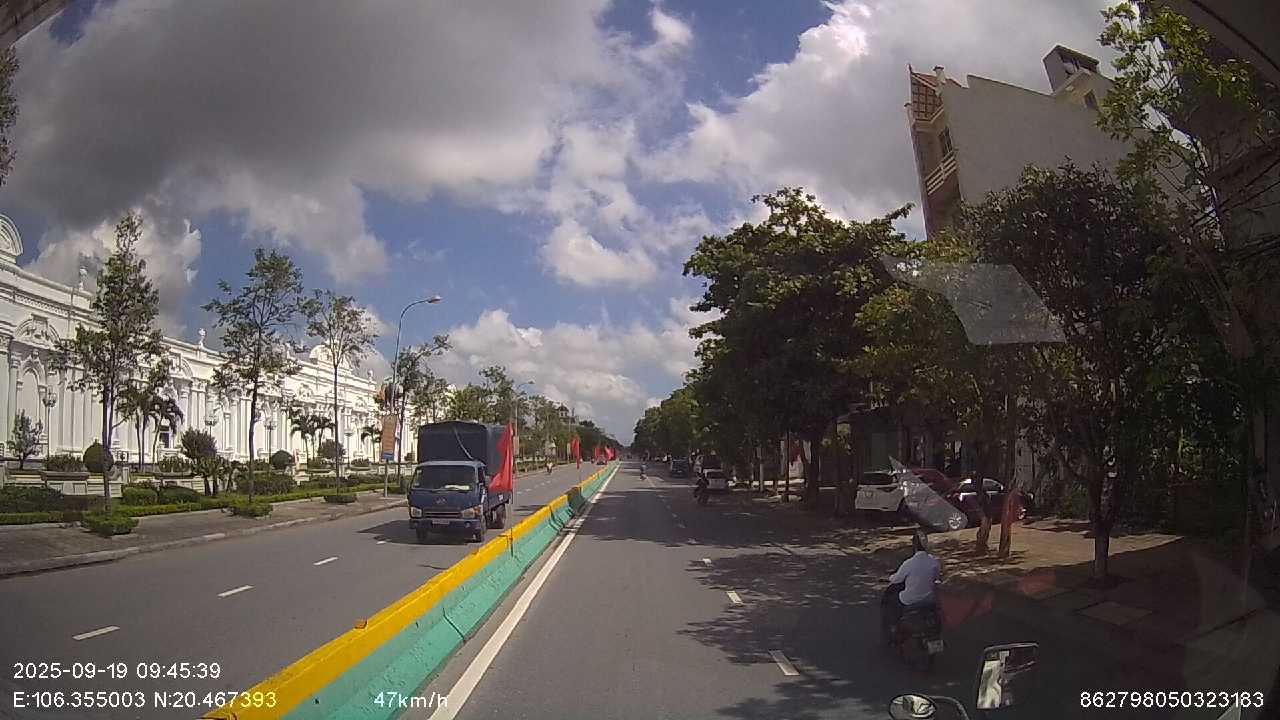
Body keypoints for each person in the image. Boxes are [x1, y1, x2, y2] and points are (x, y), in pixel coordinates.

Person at [881, 530, 941, 644]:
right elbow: (936, 578)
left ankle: (894, 628)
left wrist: (889, 577)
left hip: (910, 600)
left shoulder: (909, 563)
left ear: (914, 545)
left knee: (892, 602)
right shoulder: (934, 562)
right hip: (929, 599)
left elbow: (897, 579)